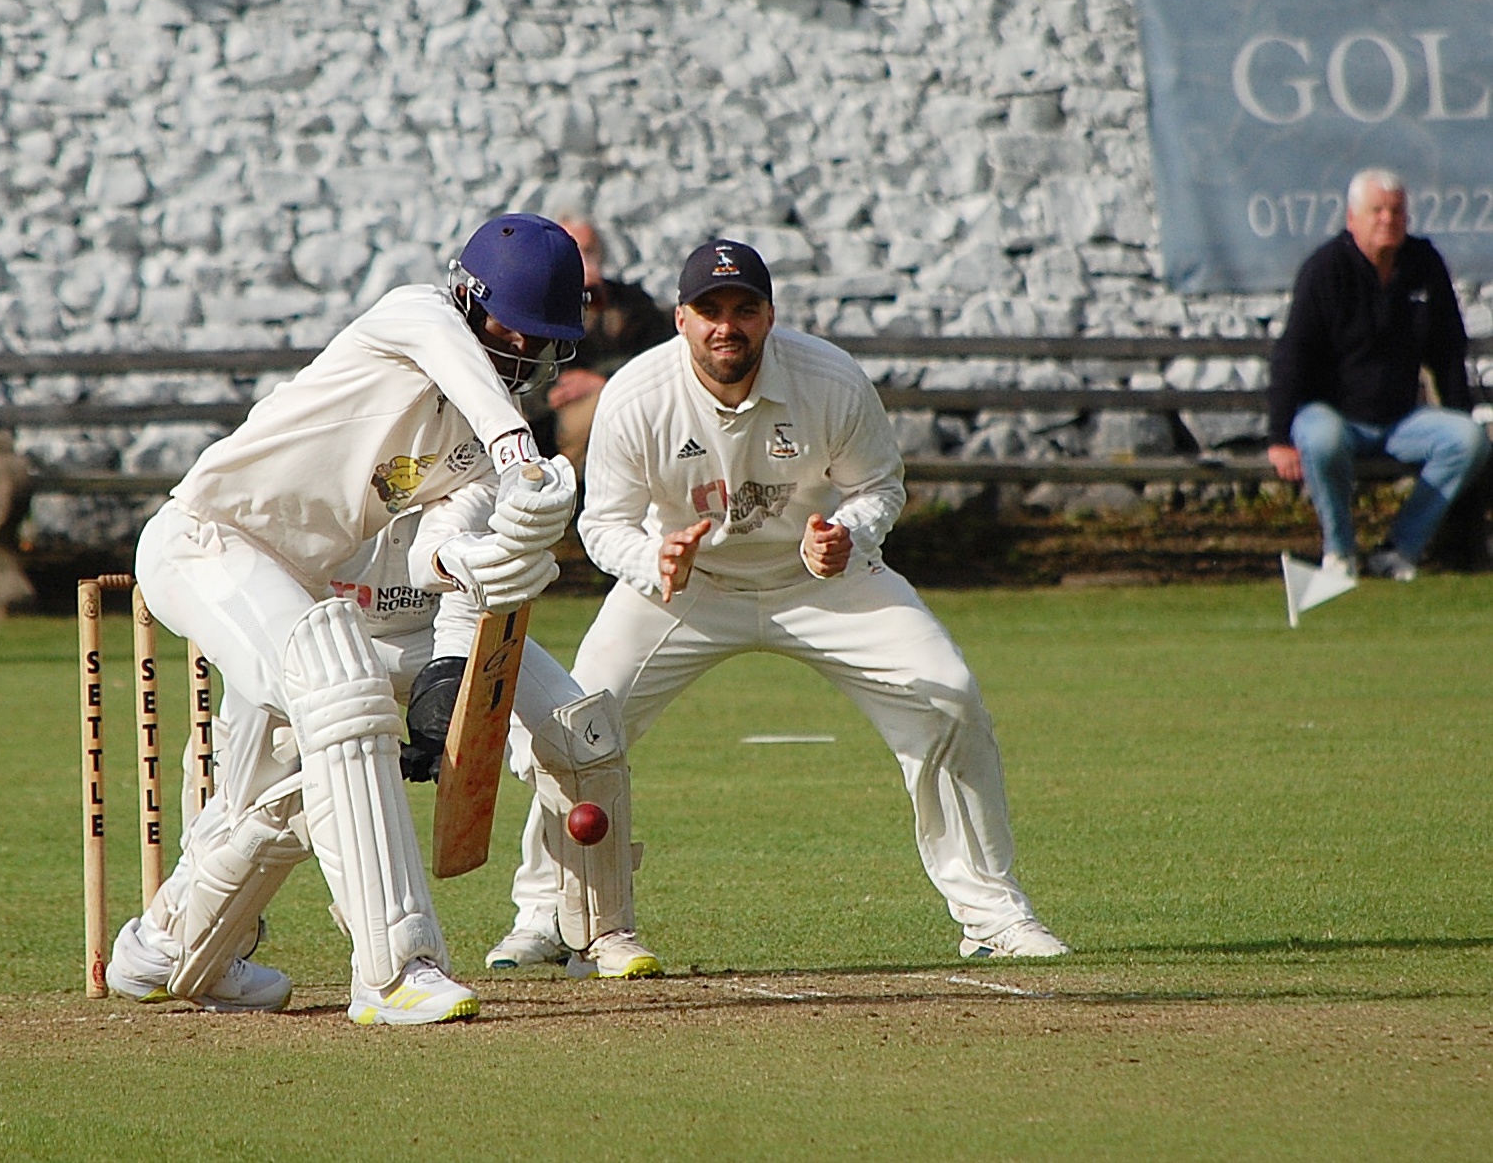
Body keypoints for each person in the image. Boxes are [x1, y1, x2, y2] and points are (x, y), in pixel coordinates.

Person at [105, 213, 651, 1026]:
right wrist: (521, 456)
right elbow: (464, 372)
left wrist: (463, 632)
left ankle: (166, 947)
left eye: (540, 339)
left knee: (288, 779)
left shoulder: (475, 437)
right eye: (512, 328)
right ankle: (396, 970)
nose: (522, 353)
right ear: (469, 296)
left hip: (300, 589)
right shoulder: (411, 316)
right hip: (205, 539)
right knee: (341, 686)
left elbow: (442, 547)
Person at [487, 239, 1069, 968]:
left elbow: (878, 487)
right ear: (679, 319)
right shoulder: (637, 394)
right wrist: (653, 559)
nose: (725, 326)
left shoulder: (827, 376)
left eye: (743, 309)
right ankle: (547, 913)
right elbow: (602, 523)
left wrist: (844, 539)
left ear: (768, 316)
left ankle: (991, 914)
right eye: (709, 311)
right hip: (681, 590)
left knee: (947, 695)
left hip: (819, 581)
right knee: (575, 729)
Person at [1267, 168, 1490, 582]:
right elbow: (1292, 355)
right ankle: (1339, 553)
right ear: (1353, 218)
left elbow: (1447, 352)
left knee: (1468, 440)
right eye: (1377, 211)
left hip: (1401, 419)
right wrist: (1280, 438)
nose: (1388, 219)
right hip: (1332, 415)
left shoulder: (1424, 264)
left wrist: (1461, 413)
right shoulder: (1325, 269)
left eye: (1396, 211)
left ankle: (1398, 549)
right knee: (1321, 438)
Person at [526, 219, 672, 481]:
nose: (582, 259)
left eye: (588, 250)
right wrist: (575, 306)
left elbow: (660, 358)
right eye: (572, 252)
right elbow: (539, 379)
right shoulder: (541, 307)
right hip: (553, 422)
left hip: (625, 397)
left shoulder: (630, 302)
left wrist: (604, 381)